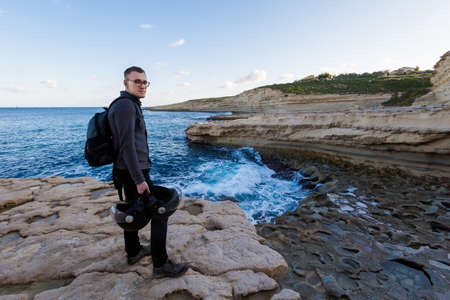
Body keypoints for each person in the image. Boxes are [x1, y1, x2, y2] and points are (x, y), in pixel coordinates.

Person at [108, 66, 188, 278]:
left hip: (128, 170)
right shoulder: (126, 105)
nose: (142, 85)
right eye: (137, 81)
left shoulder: (129, 104)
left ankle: (133, 252)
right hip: (134, 171)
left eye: (145, 82)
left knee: (133, 210)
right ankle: (160, 265)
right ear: (126, 84)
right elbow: (126, 146)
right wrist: (139, 179)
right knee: (161, 209)